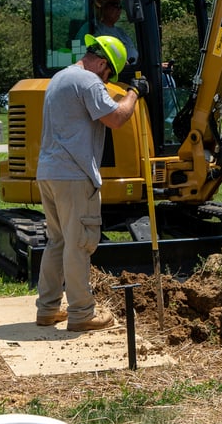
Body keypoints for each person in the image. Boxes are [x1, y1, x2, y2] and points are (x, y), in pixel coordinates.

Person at [34, 33, 149, 331]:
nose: (107, 78)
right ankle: (82, 314)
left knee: (57, 241)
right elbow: (116, 118)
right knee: (79, 244)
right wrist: (134, 92)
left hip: (49, 172)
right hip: (73, 175)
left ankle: (47, 309)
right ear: (101, 63)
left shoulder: (60, 78)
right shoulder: (87, 81)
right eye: (109, 72)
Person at [92, 0, 137, 76]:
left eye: (120, 6)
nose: (119, 10)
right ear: (104, 7)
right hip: (117, 76)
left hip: (134, 70)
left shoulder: (120, 31)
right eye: (115, 5)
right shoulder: (96, 31)